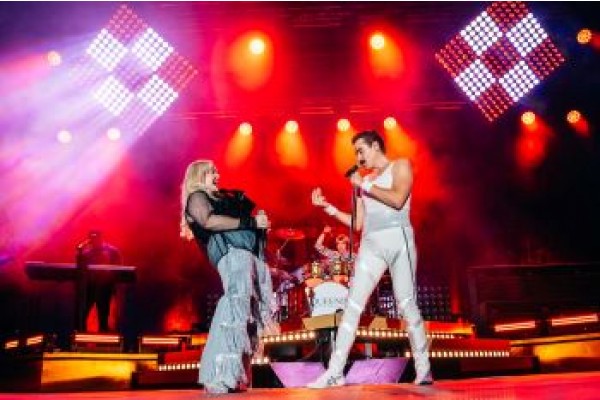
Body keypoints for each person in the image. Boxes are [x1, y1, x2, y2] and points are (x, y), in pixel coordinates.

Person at [307, 130, 433, 388]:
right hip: (371, 244)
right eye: (355, 153)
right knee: (352, 305)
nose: (358, 157)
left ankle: (424, 369)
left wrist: (364, 186)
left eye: (360, 150)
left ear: (375, 146)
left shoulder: (400, 166)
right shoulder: (364, 181)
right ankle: (335, 372)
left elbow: (397, 199)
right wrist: (328, 208)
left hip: (399, 240)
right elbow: (357, 223)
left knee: (407, 303)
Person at [180, 160, 278, 394]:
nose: (217, 175)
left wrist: (258, 227)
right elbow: (208, 221)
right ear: (199, 176)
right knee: (235, 308)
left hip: (246, 256)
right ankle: (218, 375)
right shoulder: (197, 197)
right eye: (211, 172)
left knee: (247, 315)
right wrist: (250, 222)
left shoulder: (221, 199)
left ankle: (234, 375)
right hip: (232, 255)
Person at [76, 230, 122, 332]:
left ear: (101, 238)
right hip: (90, 286)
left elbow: (119, 269)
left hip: (105, 286)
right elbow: (80, 268)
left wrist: (114, 285)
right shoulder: (86, 253)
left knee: (103, 312)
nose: (93, 240)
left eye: (96, 237)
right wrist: (79, 253)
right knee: (84, 311)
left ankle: (104, 332)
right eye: (91, 238)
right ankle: (82, 332)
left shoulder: (112, 251)